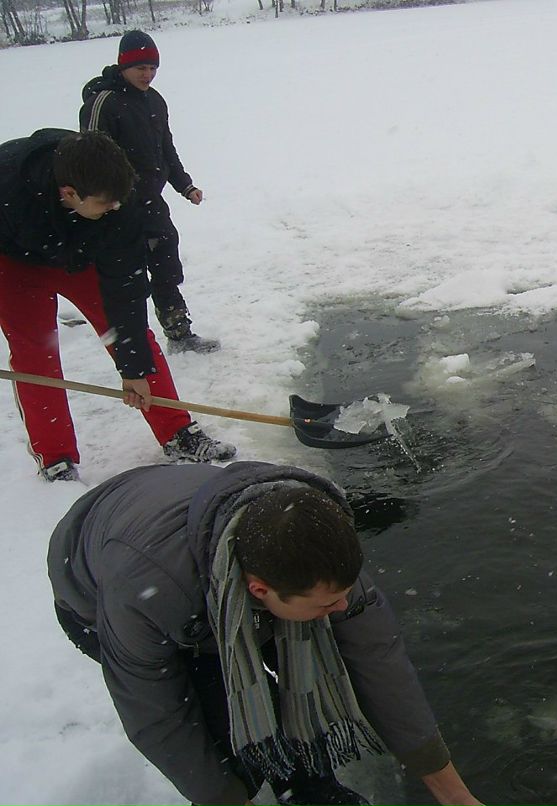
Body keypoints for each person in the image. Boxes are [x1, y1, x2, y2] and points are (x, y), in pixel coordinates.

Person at [49, 461, 483, 806]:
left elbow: (379, 665)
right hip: (100, 587)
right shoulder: (150, 594)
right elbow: (158, 717)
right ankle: (267, 778)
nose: (341, 608)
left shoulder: (319, 558)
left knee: (306, 671)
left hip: (175, 517)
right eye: (326, 604)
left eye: (343, 596)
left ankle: (310, 788)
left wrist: (455, 794)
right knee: (220, 718)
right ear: (258, 590)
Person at [0, 128, 235, 482]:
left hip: (83, 254)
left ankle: (177, 432)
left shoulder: (119, 198)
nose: (116, 208)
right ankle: (56, 459)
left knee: (133, 337)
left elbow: (125, 292)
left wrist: (133, 369)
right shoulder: (9, 182)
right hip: (13, 262)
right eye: (105, 203)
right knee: (35, 355)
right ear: (69, 193)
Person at [80, 29, 219, 354]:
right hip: (116, 208)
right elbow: (88, 157)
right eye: (140, 68)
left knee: (167, 265)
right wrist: (105, 202)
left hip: (150, 201)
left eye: (152, 67)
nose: (148, 74)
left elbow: (165, 149)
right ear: (123, 66)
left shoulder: (154, 100)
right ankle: (135, 347)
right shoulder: (104, 102)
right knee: (128, 278)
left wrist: (184, 185)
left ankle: (179, 333)